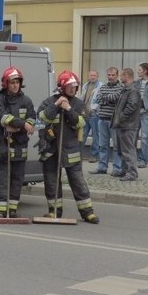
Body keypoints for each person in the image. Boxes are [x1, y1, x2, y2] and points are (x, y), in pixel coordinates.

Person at [36, 70, 100, 223]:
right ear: (62, 87)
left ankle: (87, 212)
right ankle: (54, 211)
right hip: (51, 149)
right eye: (70, 86)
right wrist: (57, 105)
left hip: (71, 150)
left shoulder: (79, 104)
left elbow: (80, 123)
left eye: (75, 86)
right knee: (51, 181)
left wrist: (69, 109)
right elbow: (43, 117)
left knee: (77, 181)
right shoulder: (49, 101)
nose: (73, 89)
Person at [0, 66, 36, 217]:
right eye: (12, 82)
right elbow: (4, 118)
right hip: (3, 145)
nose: (15, 85)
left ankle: (12, 209)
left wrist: (20, 126)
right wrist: (22, 124)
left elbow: (32, 119)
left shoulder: (26, 100)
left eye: (17, 82)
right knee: (1, 180)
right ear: (5, 84)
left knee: (17, 180)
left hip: (20, 146)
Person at [89, 66, 122, 176]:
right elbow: (97, 99)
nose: (111, 77)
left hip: (114, 121)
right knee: (103, 145)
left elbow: (116, 98)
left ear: (117, 76)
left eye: (113, 75)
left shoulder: (120, 87)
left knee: (116, 146)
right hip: (102, 119)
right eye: (109, 75)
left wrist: (105, 98)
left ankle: (117, 168)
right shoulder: (102, 86)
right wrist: (108, 99)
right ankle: (102, 167)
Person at [112, 66, 141, 181]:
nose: (120, 77)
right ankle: (125, 170)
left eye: (121, 75)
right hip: (123, 125)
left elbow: (131, 106)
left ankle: (132, 173)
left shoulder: (133, 90)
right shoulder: (126, 89)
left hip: (128, 125)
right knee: (122, 150)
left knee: (128, 150)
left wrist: (121, 118)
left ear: (126, 76)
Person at [80, 70, 101, 162]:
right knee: (82, 135)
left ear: (97, 76)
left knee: (95, 135)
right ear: (88, 76)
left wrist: (94, 108)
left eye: (94, 75)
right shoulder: (85, 85)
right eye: (91, 75)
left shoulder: (100, 86)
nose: (93, 77)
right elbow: (82, 98)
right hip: (84, 114)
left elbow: (100, 100)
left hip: (94, 114)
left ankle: (94, 155)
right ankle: (78, 154)